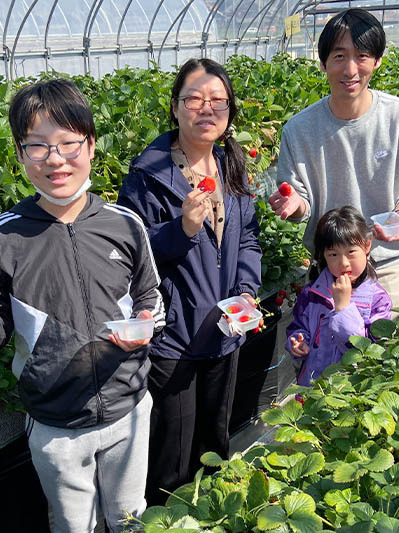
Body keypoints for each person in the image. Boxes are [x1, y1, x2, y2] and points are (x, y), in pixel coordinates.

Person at [0, 78, 165, 533]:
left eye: (68, 143)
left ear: (92, 146)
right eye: (38, 146)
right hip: (56, 427)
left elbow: (151, 296)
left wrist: (146, 321)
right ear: (20, 154)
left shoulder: (124, 225)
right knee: (72, 527)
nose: (56, 159)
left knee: (130, 520)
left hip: (128, 408)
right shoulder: (4, 237)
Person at [117, 58, 262, 505]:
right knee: (173, 458)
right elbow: (130, 253)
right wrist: (181, 230)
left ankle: (216, 515)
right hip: (173, 340)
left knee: (215, 444)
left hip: (224, 331)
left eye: (218, 100)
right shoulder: (149, 175)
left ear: (230, 111)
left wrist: (246, 291)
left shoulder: (230, 165)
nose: (207, 109)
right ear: (176, 107)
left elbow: (248, 237)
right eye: (194, 99)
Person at [269, 8, 399, 307]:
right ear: (323, 63)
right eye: (339, 56)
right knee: (327, 338)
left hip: (387, 265)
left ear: (377, 60)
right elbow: (301, 202)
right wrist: (295, 205)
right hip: (329, 269)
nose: (350, 70)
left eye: (361, 56)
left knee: (383, 338)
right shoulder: (299, 129)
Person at [286, 206, 392, 386]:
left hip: (352, 388)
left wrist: (343, 309)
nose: (343, 263)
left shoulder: (378, 300)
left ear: (367, 246)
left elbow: (370, 350)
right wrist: (297, 341)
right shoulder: (312, 293)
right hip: (313, 383)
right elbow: (298, 326)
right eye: (333, 254)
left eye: (351, 252)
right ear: (323, 256)